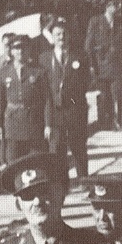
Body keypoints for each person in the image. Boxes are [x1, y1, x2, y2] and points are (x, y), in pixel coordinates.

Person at [43, 15, 92, 179]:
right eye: (57, 34)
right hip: (55, 112)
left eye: (64, 33)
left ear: (69, 35)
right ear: (52, 37)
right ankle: (61, 185)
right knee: (57, 151)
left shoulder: (80, 56)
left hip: (75, 109)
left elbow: (87, 81)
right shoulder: (44, 59)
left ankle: (83, 181)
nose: (61, 37)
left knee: (78, 148)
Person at [84, 0, 122, 132]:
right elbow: (88, 45)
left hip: (118, 66)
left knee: (118, 93)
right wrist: (91, 65)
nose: (118, 7)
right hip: (101, 66)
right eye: (115, 5)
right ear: (108, 6)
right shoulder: (96, 21)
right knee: (105, 97)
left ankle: (120, 121)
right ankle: (109, 121)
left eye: (118, 4)